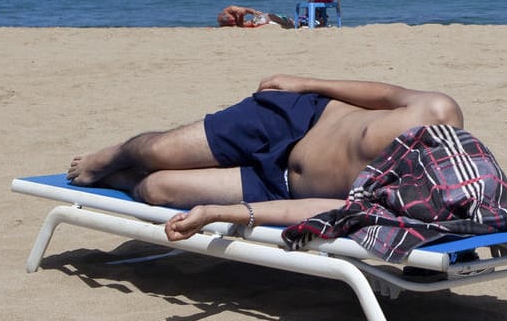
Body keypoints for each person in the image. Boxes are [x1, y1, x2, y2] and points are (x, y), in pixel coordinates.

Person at [67, 75, 465, 238]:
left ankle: (118, 178)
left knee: (158, 187)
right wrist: (305, 82)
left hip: (279, 185)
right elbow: (384, 95)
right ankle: (116, 154)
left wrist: (221, 214)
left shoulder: (405, 202)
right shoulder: (438, 112)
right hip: (296, 120)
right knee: (157, 151)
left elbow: (310, 210)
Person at [215, 5, 293, 29]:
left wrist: (253, 12)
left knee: (270, 17)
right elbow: (241, 25)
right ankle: (293, 22)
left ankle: (292, 22)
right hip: (258, 20)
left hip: (257, 20)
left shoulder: (231, 10)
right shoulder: (229, 20)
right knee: (269, 17)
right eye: (232, 21)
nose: (234, 20)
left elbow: (245, 10)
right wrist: (241, 16)